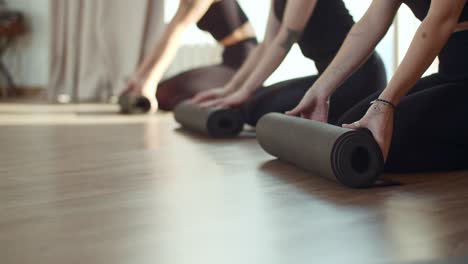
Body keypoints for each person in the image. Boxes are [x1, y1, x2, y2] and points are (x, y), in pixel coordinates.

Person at [288, 0, 468, 172]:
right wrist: (320, 89)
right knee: (351, 132)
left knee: (364, 149)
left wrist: (385, 104)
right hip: (451, 73)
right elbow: (371, 23)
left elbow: (439, 22)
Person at [192, 0, 387, 127]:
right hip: (325, 78)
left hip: (358, 77)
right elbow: (267, 43)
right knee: (252, 103)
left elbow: (285, 39)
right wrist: (231, 89)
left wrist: (244, 91)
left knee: (255, 108)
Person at [121, 0, 258, 112]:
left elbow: (176, 31)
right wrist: (138, 78)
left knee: (163, 94)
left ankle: (244, 101)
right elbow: (167, 33)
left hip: (245, 65)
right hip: (229, 61)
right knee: (162, 91)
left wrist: (149, 81)